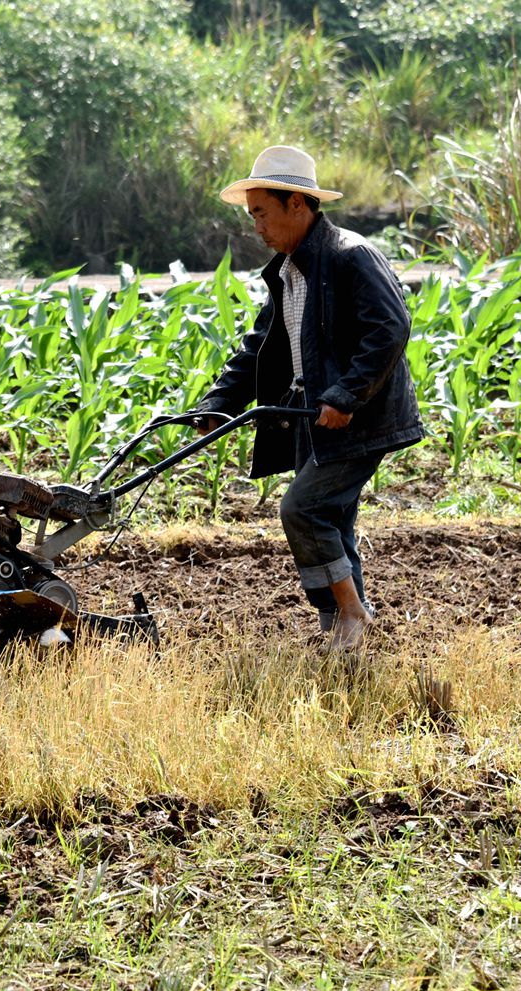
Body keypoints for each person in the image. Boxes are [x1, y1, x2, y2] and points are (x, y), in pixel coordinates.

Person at [192, 145, 424, 651]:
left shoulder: (349, 255)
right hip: (311, 418)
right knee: (331, 519)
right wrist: (217, 403)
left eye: (261, 213)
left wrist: (346, 395)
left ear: (297, 203)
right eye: (252, 215)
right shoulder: (288, 269)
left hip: (359, 418)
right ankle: (345, 632)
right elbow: (261, 349)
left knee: (303, 508)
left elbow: (389, 329)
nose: (256, 227)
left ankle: (351, 614)